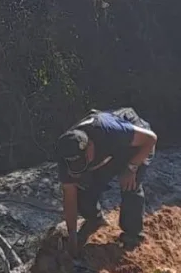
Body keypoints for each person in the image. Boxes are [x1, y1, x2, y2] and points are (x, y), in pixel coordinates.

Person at [54, 108, 158, 257]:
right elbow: (70, 197)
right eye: (75, 165)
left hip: (134, 145)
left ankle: (132, 237)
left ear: (89, 146)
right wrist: (72, 237)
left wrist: (131, 167)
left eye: (82, 161)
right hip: (105, 155)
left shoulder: (109, 130)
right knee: (84, 188)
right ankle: (95, 219)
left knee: (129, 184)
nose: (79, 166)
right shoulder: (66, 153)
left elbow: (150, 139)